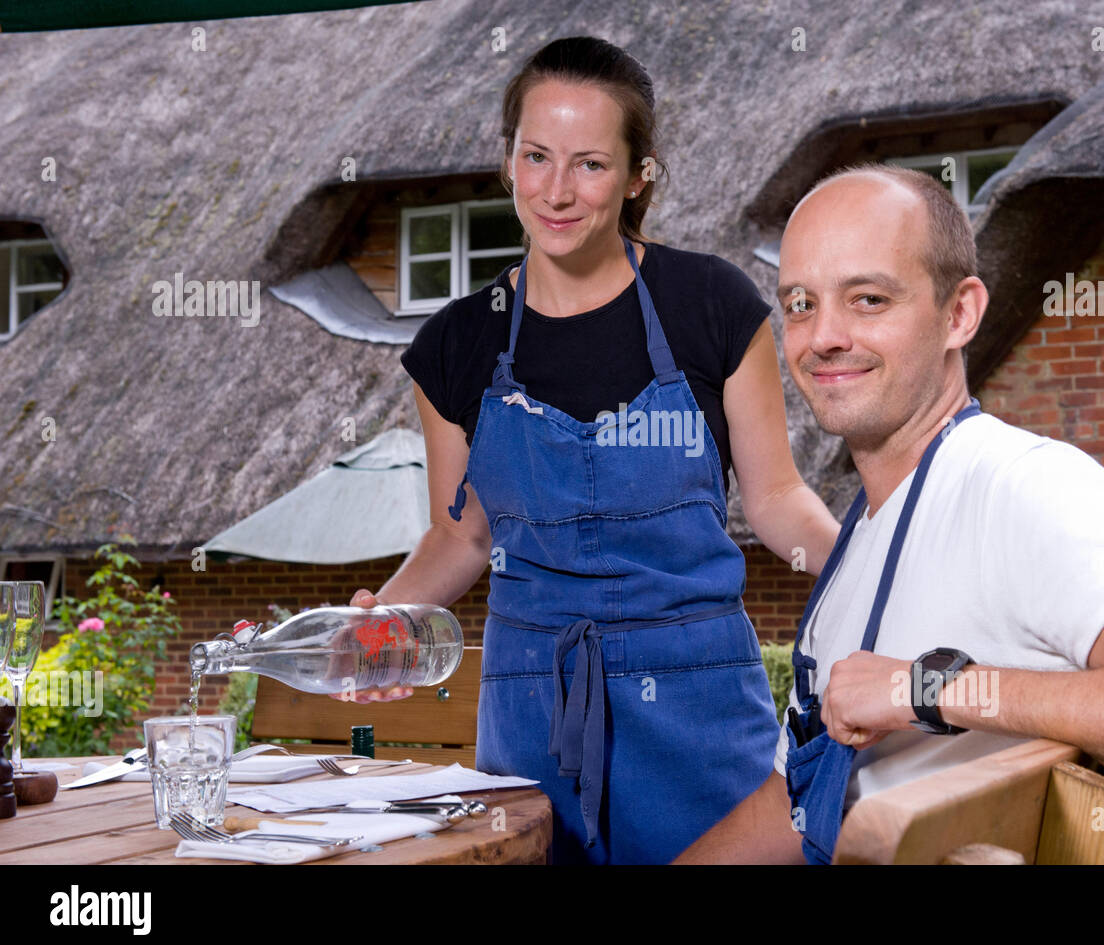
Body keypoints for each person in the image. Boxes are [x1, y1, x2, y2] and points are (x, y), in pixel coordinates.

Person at [674, 162, 1104, 864]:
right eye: (800, 303)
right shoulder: (859, 542)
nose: (824, 336)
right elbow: (798, 801)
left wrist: (928, 687)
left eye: (869, 299)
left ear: (960, 313)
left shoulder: (1024, 488)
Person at [343, 36, 841, 864]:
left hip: (699, 712)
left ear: (639, 175)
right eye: (536, 157)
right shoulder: (456, 344)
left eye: (590, 165)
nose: (557, 191)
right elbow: (461, 534)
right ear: (507, 162)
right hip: (531, 717)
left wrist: (874, 568)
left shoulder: (711, 305)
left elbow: (777, 499)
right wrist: (386, 620)